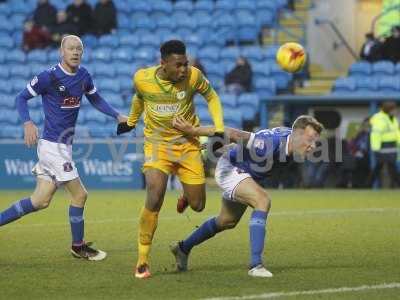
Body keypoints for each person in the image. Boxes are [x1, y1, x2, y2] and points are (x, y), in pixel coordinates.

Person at [0, 35, 127, 260]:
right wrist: (27, 122)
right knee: (80, 195)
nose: (75, 52)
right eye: (71, 48)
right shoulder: (48, 77)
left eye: (79, 49)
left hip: (63, 146)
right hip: (52, 147)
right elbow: (21, 98)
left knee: (40, 200)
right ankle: (78, 247)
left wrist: (116, 115)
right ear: (62, 51)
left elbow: (96, 98)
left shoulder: (83, 75)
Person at [117, 40, 225, 279]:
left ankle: (187, 195)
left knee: (198, 206)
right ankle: (143, 259)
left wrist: (218, 128)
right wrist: (132, 121)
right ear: (163, 63)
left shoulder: (194, 76)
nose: (184, 69)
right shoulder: (142, 78)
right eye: (179, 65)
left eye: (186, 64)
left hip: (188, 145)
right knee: (154, 196)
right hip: (158, 145)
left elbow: (213, 97)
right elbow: (139, 97)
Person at [169, 115, 323, 277]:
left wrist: (219, 146)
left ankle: (182, 248)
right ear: (297, 134)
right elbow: (232, 133)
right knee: (262, 200)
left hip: (246, 173)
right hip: (231, 168)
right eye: (310, 140)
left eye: (315, 142)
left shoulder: (290, 143)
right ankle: (256, 265)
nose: (313, 146)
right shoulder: (271, 144)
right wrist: (193, 130)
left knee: (227, 221)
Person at [369, 101, 400, 188]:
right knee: (385, 167)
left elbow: (396, 132)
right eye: (394, 109)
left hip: (392, 147)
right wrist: (376, 147)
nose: (396, 111)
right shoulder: (380, 119)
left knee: (386, 167)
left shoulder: (393, 119)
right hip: (382, 147)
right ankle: (367, 184)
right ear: (389, 110)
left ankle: (367, 185)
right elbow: (376, 133)